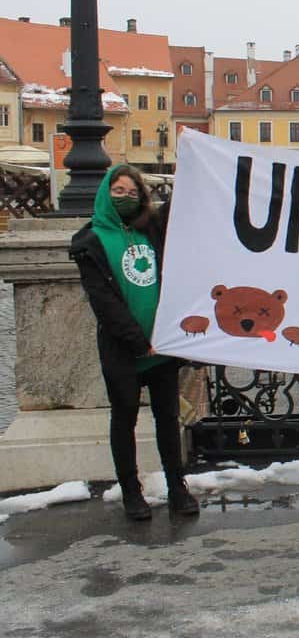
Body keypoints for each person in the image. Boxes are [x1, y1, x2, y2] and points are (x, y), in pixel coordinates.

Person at [69, 165, 199, 520]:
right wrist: (139, 341)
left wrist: (194, 161)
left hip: (162, 346)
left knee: (168, 418)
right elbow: (104, 302)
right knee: (124, 419)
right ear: (104, 195)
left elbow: (179, 207)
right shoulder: (91, 242)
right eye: (119, 192)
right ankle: (131, 491)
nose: (126, 198)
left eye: (133, 193)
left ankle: (177, 487)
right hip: (124, 349)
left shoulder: (150, 229)